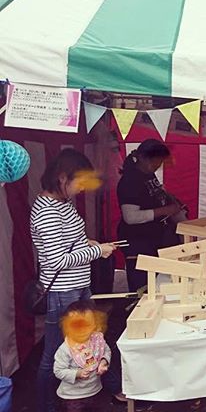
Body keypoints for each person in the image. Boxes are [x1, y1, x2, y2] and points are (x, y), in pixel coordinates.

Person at [30, 149, 120, 412]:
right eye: (80, 181)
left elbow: (68, 244)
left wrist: (87, 243)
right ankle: (47, 405)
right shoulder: (46, 211)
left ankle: (95, 389)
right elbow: (56, 260)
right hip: (62, 291)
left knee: (94, 339)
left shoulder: (63, 204)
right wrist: (96, 251)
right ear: (62, 178)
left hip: (78, 285)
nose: (83, 188)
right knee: (56, 352)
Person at [117, 139, 187, 291]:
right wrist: (166, 210)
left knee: (157, 283)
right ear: (141, 157)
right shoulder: (130, 180)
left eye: (159, 162)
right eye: (154, 162)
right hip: (138, 243)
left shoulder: (148, 174)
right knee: (142, 287)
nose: (156, 166)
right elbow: (131, 217)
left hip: (154, 240)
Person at [53, 300, 111, 411]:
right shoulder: (66, 349)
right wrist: (77, 373)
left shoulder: (96, 340)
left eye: (87, 325)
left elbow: (106, 351)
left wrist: (104, 361)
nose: (83, 330)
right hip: (72, 397)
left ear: (95, 323)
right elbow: (58, 370)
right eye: (77, 326)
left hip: (95, 391)